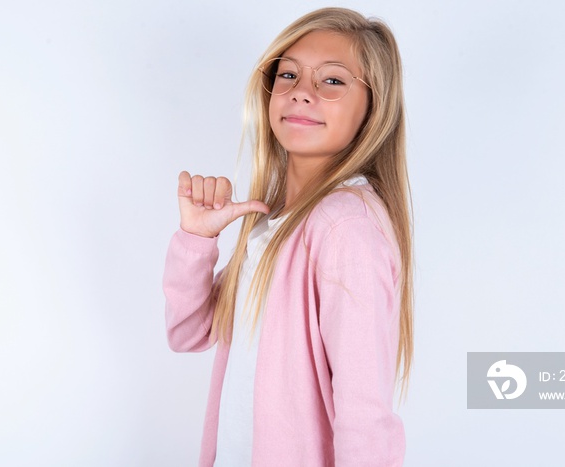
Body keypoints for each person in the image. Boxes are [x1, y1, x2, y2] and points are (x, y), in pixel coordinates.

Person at [163, 7, 413, 466]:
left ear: (373, 107)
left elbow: (365, 414)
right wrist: (197, 241)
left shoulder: (345, 226)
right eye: (289, 75)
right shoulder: (271, 220)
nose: (301, 93)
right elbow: (188, 333)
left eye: (332, 81)